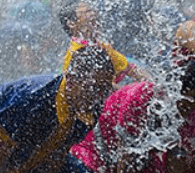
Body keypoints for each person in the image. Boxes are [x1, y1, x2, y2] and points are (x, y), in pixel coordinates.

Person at [0, 45, 116, 173]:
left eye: (105, 88)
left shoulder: (92, 107)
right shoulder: (37, 98)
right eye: (94, 87)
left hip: (25, 148)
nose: (99, 95)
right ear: (72, 79)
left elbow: (57, 156)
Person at [71, 21, 195, 173]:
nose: (186, 108)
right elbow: (126, 162)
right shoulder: (143, 97)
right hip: (93, 159)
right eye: (185, 103)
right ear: (176, 91)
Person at [59, 0, 151, 85]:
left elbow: (131, 69)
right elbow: (97, 92)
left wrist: (154, 85)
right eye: (87, 12)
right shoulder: (75, 55)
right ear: (71, 24)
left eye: (92, 10)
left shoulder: (100, 46)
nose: (94, 14)